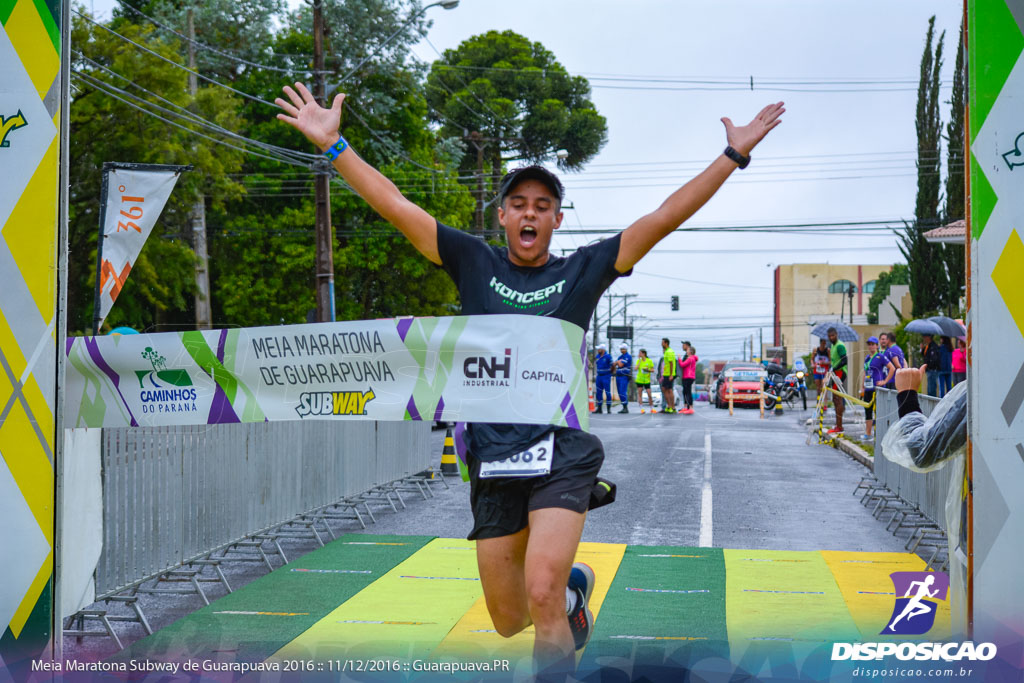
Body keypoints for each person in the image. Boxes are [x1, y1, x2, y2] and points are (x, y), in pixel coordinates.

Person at [275, 80, 783, 674]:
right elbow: (395, 205)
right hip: (492, 457)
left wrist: (733, 155)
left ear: (556, 220)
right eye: (519, 204)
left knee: (538, 597)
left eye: (542, 206)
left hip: (561, 455)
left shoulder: (585, 270)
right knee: (509, 617)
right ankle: (573, 592)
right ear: (502, 215)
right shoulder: (472, 260)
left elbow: (664, 216)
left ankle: (557, 594)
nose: (530, 213)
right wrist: (335, 148)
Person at [862, 336, 888, 441]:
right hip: (868, 387)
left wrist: (885, 381)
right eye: (869, 344)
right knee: (867, 410)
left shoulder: (880, 357)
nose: (871, 346)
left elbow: (891, 368)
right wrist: (862, 387)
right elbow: (865, 372)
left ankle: (879, 433)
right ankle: (868, 433)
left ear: (877, 346)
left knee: (878, 411)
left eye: (873, 344)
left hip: (877, 388)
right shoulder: (867, 358)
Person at [827, 327, 848, 434]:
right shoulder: (832, 345)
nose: (831, 337)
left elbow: (845, 360)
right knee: (835, 399)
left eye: (833, 335)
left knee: (837, 398)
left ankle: (839, 426)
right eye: (829, 336)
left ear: (836, 334)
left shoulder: (839, 345)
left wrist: (834, 368)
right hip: (835, 373)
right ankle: (838, 424)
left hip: (840, 372)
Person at [659, 337, 678, 414]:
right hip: (666, 374)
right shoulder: (667, 351)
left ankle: (671, 407)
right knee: (666, 389)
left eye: (662, 342)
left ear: (666, 343)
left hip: (668, 374)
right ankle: (670, 407)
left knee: (668, 390)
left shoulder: (669, 352)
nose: (661, 344)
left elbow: (671, 363)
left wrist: (671, 375)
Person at [679, 346, 699, 414]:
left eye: (687, 350)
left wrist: (679, 359)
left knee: (688, 392)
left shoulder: (690, 358)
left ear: (690, 351)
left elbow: (682, 364)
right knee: (685, 392)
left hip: (688, 377)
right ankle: (686, 407)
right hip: (688, 377)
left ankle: (690, 407)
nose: (686, 351)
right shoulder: (692, 358)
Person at [634, 349, 655, 413]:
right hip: (639, 380)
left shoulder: (649, 361)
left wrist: (648, 370)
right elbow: (635, 369)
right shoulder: (638, 361)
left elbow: (653, 370)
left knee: (649, 394)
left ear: (644, 354)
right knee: (640, 394)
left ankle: (652, 408)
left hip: (647, 380)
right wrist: (640, 361)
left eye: (640, 353)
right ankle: (641, 408)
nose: (639, 354)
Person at [593, 344, 613, 414]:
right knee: (599, 392)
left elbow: (612, 365)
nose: (598, 350)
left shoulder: (608, 356)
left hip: (606, 376)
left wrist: (610, 372)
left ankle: (608, 408)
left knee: (607, 392)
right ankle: (599, 408)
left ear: (603, 349)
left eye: (599, 349)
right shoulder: (597, 356)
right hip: (599, 376)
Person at [614, 344, 632, 413]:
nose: (621, 350)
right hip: (618, 376)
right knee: (619, 392)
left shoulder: (627, 356)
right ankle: (623, 407)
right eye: (620, 349)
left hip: (624, 376)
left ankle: (625, 407)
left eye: (622, 349)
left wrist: (618, 362)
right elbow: (614, 364)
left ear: (625, 349)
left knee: (622, 392)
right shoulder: (620, 357)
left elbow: (620, 364)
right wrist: (618, 362)